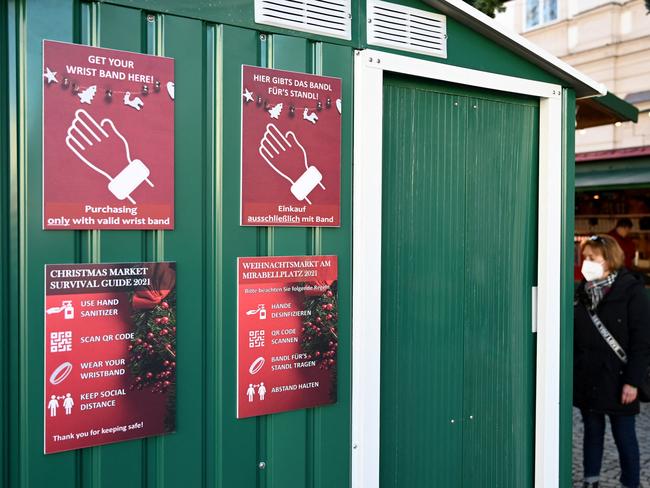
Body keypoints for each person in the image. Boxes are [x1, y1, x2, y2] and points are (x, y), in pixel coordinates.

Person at [574, 235, 650, 488]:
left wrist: (633, 381)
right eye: (585, 258)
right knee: (592, 433)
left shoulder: (632, 291)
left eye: (592, 258)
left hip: (619, 380)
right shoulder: (581, 291)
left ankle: (631, 483)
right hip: (589, 377)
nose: (586, 263)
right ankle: (591, 480)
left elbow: (642, 342)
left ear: (609, 260)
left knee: (624, 436)